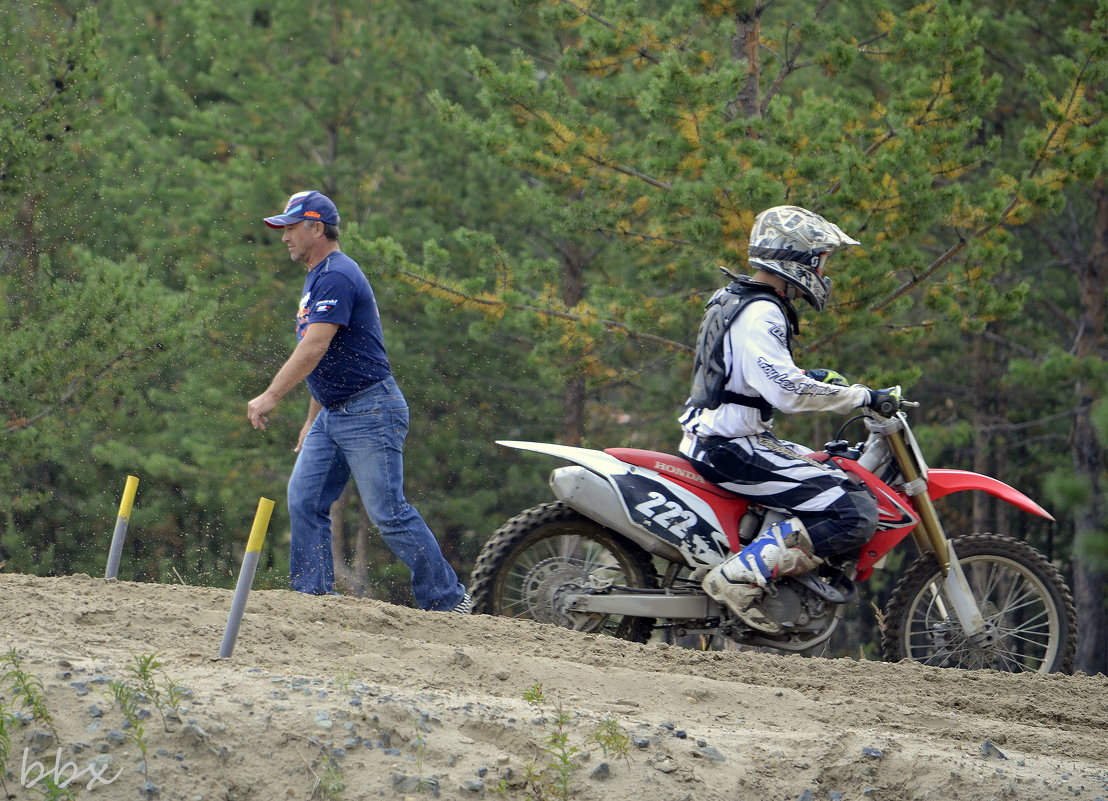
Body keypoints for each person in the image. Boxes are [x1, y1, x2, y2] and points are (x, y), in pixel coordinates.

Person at [247, 190, 470, 613]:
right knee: (305, 500)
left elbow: (314, 347)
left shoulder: (337, 275)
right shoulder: (317, 275)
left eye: (292, 228)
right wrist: (314, 417)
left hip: (370, 409)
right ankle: (312, 598)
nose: (284, 237)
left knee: (388, 512)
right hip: (333, 412)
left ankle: (448, 601)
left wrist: (271, 396)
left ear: (317, 228)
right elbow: (328, 359)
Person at [679, 205, 899, 633]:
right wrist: (861, 396)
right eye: (821, 260)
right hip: (733, 447)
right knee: (853, 512)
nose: (824, 270)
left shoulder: (734, 298)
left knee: (828, 466)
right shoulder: (763, 311)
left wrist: (814, 378)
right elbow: (786, 392)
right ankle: (737, 579)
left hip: (716, 438)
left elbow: (751, 374)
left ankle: (762, 569)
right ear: (795, 259)